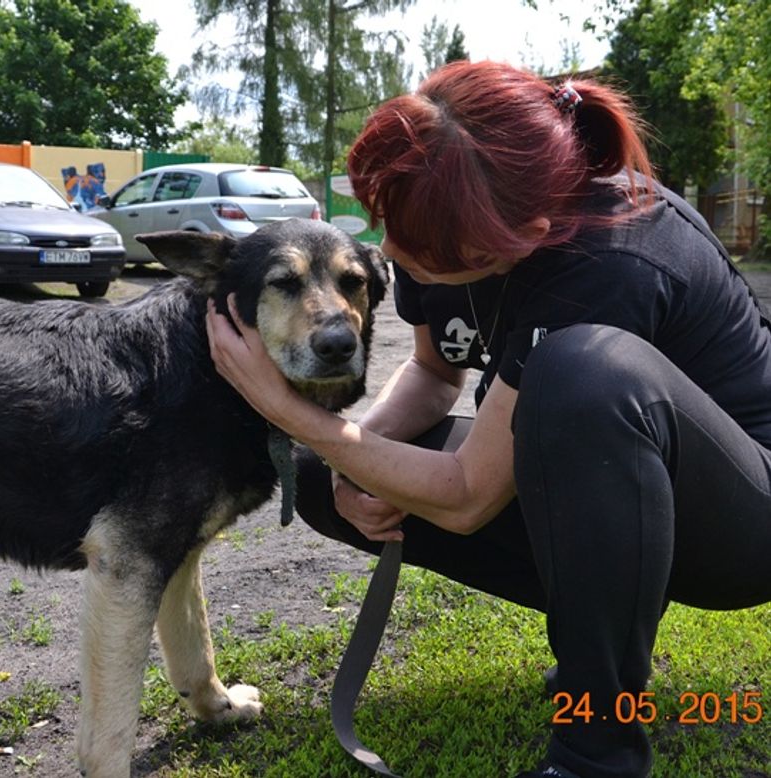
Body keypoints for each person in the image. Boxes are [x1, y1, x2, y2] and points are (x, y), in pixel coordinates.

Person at [204, 59, 771, 778]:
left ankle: (596, 754)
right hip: (622, 487)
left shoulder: (613, 256)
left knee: (582, 373)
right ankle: (604, 640)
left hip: (745, 521)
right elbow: (437, 372)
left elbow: (468, 497)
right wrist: (347, 460)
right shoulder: (436, 218)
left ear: (518, 237)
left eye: (416, 249)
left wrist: (291, 412)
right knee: (325, 476)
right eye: (387, 224)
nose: (391, 256)